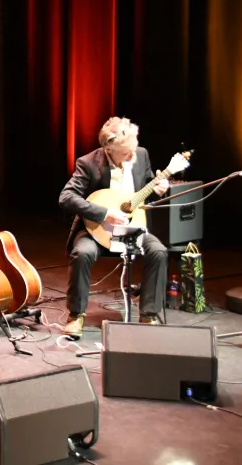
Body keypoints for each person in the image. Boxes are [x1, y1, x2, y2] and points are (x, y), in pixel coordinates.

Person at [59, 116, 170, 336]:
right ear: (108, 149)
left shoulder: (141, 155)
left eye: (134, 149)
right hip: (95, 230)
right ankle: (76, 315)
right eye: (126, 152)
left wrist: (158, 188)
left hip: (131, 229)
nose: (132, 156)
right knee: (82, 253)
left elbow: (145, 187)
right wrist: (105, 213)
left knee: (158, 251)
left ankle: (148, 314)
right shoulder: (88, 163)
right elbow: (66, 197)